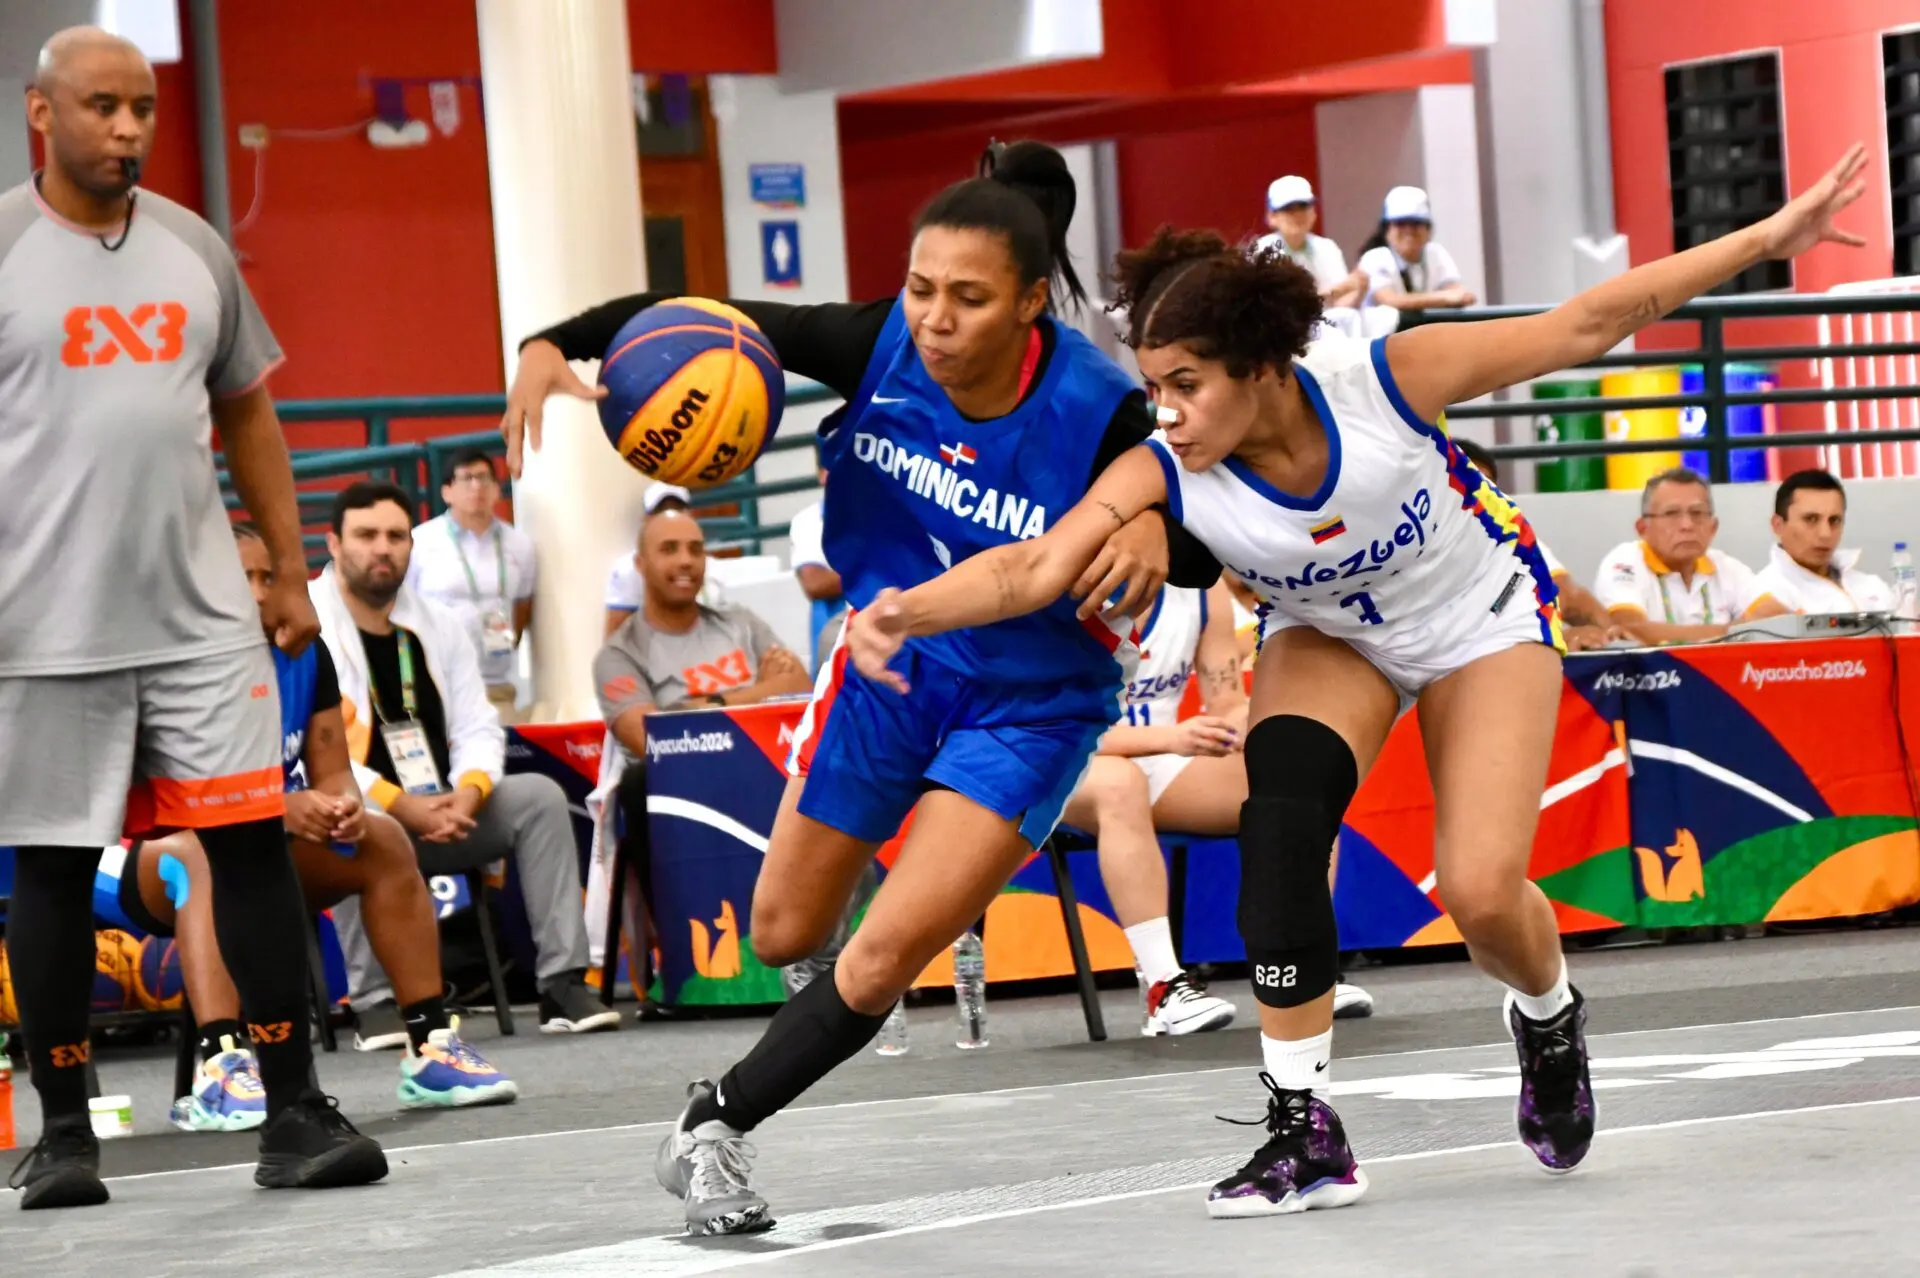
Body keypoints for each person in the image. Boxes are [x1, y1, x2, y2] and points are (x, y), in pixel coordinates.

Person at [845, 146, 1869, 1217]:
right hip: (1334, 636)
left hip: (1478, 617)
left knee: (1479, 892)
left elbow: (1587, 323)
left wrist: (1765, 240)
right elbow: (1031, 567)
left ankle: (1550, 1012)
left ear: (1262, 370)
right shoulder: (1163, 466)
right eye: (1153, 390)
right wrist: (903, 611)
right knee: (1280, 818)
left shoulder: (1386, 379)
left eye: (1186, 386)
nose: (1167, 415)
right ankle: (1307, 1128)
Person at [501, 139, 1222, 1234]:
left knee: (884, 954)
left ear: (1030, 302)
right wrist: (552, 343)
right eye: (922, 287)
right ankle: (900, 901)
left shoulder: (1099, 409)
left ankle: (714, 1127)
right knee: (785, 932)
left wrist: (1160, 537)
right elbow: (707, 311)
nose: (934, 317)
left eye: (967, 299)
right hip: (888, 673)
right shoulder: (874, 342)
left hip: (1030, 707)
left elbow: (1193, 515)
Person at [0, 26, 386, 1209]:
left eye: (144, 110)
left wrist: (280, 571)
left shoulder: (193, 248)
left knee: (252, 848)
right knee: (54, 871)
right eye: (103, 109)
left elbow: (250, 416)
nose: (128, 131)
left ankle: (295, 1110)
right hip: (40, 626)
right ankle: (62, 1131)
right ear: (41, 114)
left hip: (199, 618)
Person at [309, 482, 617, 1042]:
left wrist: (467, 794)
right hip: (370, 813)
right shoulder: (312, 625)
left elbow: (477, 725)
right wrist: (406, 808)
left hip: (449, 812)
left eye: (396, 536)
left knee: (540, 798)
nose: (383, 548)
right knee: (347, 812)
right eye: (366, 535)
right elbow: (322, 756)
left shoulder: (437, 622)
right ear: (333, 544)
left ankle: (561, 984)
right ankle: (377, 999)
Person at [1061, 581, 1371, 1032]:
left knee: (1298, 782)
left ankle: (1303, 969)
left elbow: (1224, 699)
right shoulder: (1069, 585)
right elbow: (1055, 725)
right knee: (1120, 785)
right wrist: (1168, 739)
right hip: (1061, 761)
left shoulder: (1201, 591)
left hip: (1159, 761)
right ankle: (1163, 988)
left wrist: (1251, 723)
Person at [590, 505, 814, 986]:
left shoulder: (740, 623)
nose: (686, 561)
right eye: (668, 550)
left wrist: (702, 704)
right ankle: (683, 960)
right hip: (684, 801)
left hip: (765, 773)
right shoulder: (619, 654)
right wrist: (756, 694)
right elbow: (646, 736)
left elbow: (799, 683)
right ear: (641, 564)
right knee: (638, 780)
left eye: (695, 548)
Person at [407, 448, 538, 723]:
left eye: (484, 478)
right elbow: (403, 608)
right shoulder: (421, 543)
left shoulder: (520, 545)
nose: (476, 487)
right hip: (438, 681)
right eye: (466, 478)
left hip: (496, 685)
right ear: (446, 492)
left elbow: (523, 605)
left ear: (497, 489)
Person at [1450, 439, 1614, 651]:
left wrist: (1604, 637)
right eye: (1467, 482)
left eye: (1487, 484)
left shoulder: (1510, 536)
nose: (1479, 495)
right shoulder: (1410, 547)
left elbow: (1568, 596)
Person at [1595, 467, 1786, 644]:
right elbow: (1629, 629)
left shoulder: (1727, 567)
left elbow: (1777, 620)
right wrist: (1735, 630)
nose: (1687, 525)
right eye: (1671, 514)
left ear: (1713, 528)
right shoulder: (1624, 562)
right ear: (1642, 528)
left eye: (1697, 513)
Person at [1753, 468, 1894, 613]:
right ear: (1778, 525)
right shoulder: (1766, 595)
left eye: (1834, 520)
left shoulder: (1873, 586)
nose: (1826, 534)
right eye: (1811, 519)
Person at [1356, 186, 1475, 334]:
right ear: (1386, 231)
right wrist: (1444, 298)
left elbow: (1459, 292)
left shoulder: (1436, 253)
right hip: (1382, 345)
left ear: (1428, 230)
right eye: (1400, 224)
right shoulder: (1374, 258)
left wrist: (1453, 296)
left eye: (1416, 223)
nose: (1409, 230)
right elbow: (1390, 300)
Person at [1252, 176, 1365, 310]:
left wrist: (1359, 290)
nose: (1298, 215)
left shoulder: (1327, 247)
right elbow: (1283, 305)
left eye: (1303, 207)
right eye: (1289, 209)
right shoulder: (1262, 250)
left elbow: (1340, 304)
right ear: (1271, 217)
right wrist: (1339, 289)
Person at [786, 461, 845, 670]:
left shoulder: (888, 514)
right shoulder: (808, 520)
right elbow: (815, 583)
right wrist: (880, 572)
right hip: (835, 652)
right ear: (822, 474)